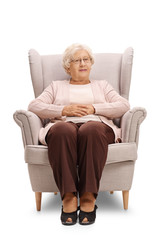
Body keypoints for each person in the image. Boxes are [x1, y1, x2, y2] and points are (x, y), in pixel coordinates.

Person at [28, 43, 130, 225]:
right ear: (68, 66)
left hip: (97, 127)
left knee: (90, 129)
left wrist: (94, 108)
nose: (83, 63)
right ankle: (68, 196)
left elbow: (124, 106)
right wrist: (64, 110)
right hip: (65, 125)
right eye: (77, 60)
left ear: (91, 64)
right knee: (61, 130)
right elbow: (34, 106)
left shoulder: (102, 86)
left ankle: (88, 196)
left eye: (86, 59)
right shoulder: (56, 86)